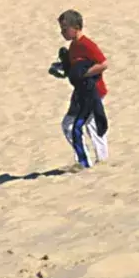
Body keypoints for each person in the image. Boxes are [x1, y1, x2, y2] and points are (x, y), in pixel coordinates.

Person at [54, 10, 109, 168]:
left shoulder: (87, 44)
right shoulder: (73, 46)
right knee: (84, 124)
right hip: (81, 92)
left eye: (65, 29)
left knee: (76, 124)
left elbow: (103, 64)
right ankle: (97, 160)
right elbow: (74, 68)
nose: (62, 32)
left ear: (76, 27)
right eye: (61, 29)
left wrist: (84, 74)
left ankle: (90, 162)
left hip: (93, 91)